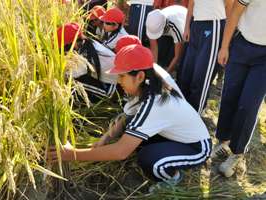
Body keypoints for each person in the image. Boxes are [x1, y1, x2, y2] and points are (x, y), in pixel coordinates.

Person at [48, 44, 211, 186]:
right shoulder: (146, 89)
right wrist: (103, 141)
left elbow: (121, 152)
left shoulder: (155, 103)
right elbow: (125, 119)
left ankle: (172, 179)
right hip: (174, 137)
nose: (119, 81)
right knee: (131, 135)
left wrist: (72, 154)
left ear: (140, 76)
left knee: (150, 161)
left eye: (122, 76)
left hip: (197, 147)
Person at [211, 0, 266, 177]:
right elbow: (235, 12)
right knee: (229, 96)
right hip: (242, 44)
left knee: (249, 105)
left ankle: (237, 153)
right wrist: (224, 47)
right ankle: (223, 141)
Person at [180, 0, 233, 114]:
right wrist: (187, 27)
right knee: (186, 75)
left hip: (214, 25)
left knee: (200, 79)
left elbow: (230, 6)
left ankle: (195, 117)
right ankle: (181, 114)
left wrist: (226, 43)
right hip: (196, 25)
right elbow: (191, 2)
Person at [57, 23, 118, 103]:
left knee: (72, 81)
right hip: (112, 81)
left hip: (113, 89)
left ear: (74, 43)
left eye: (65, 47)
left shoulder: (85, 55)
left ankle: (105, 100)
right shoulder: (87, 43)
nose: (65, 50)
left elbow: (67, 74)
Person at [146, 5, 187, 75]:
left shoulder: (177, 27)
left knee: (175, 55)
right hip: (168, 25)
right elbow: (154, 48)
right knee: (161, 56)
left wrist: (166, 75)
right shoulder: (151, 23)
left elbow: (177, 56)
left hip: (184, 23)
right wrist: (154, 69)